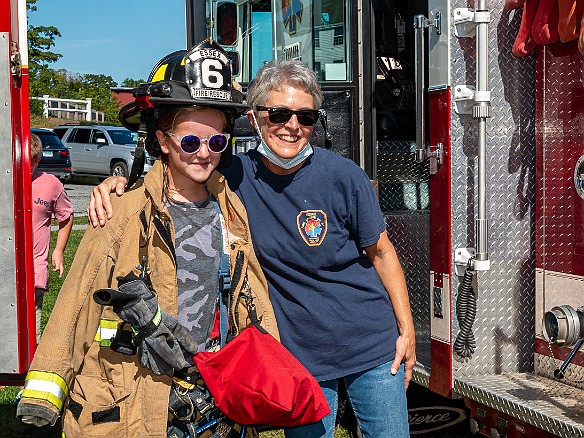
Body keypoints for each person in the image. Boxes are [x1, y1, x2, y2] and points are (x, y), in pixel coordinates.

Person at [89, 59, 416, 437]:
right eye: (279, 114)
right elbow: (175, 173)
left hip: (372, 345)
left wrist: (405, 330)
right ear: (254, 118)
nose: (293, 127)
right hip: (299, 354)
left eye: (306, 117)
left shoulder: (345, 176)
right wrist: (115, 185)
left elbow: (382, 253)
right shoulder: (230, 177)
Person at [17, 39, 279, 438]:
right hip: (135, 394)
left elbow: (252, 295)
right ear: (162, 141)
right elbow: (77, 299)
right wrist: (44, 389)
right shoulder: (122, 210)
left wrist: (269, 374)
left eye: (217, 141)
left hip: (211, 401)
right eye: (190, 141)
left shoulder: (232, 209)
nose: (203, 153)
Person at [30, 132, 74, 344]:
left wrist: (58, 250)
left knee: (31, 334)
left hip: (35, 271)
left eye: (30, 163)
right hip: (6, 271)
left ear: (37, 160)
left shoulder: (51, 184)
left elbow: (66, 216)